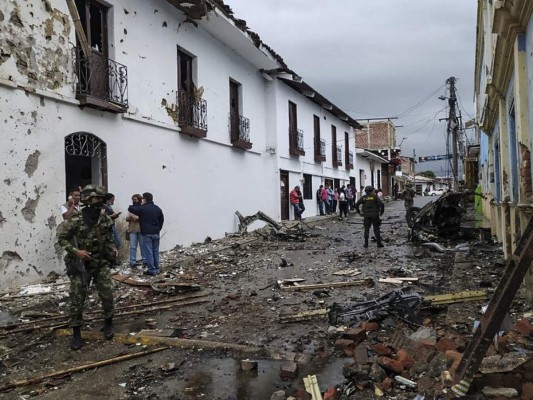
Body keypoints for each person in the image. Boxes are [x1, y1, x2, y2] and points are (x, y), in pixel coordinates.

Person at [56, 185, 117, 350]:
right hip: (81, 265)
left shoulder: (104, 219)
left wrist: (113, 248)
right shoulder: (75, 219)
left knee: (107, 294)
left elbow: (109, 236)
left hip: (101, 263)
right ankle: (76, 333)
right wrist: (77, 252)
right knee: (77, 298)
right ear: (89, 200)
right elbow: (62, 239)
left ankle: (108, 323)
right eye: (98, 198)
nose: (101, 202)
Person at [128, 192, 164, 276]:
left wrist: (137, 203)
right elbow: (161, 220)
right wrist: (158, 229)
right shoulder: (157, 208)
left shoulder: (142, 208)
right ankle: (157, 268)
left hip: (147, 233)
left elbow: (131, 209)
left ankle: (151, 269)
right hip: (156, 232)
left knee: (149, 251)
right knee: (155, 251)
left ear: (144, 199)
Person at [126, 194, 146, 268]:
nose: (134, 201)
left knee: (142, 246)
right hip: (132, 229)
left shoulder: (142, 208)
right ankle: (132, 262)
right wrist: (131, 217)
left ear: (139, 200)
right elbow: (127, 218)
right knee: (133, 246)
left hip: (141, 229)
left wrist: (138, 218)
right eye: (133, 200)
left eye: (135, 200)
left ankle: (145, 261)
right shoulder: (130, 208)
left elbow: (145, 217)